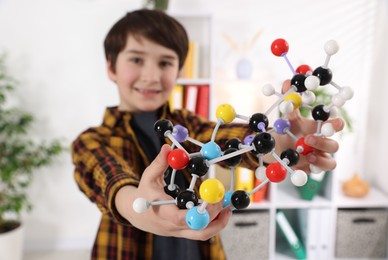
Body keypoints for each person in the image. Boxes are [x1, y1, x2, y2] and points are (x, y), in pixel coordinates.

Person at [71, 9, 343, 260]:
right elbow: (107, 176)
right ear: (111, 67)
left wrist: (281, 142)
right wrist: (139, 207)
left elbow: (229, 140)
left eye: (165, 62)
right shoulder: (92, 140)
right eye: (136, 59)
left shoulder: (187, 127)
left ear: (179, 71)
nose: (152, 75)